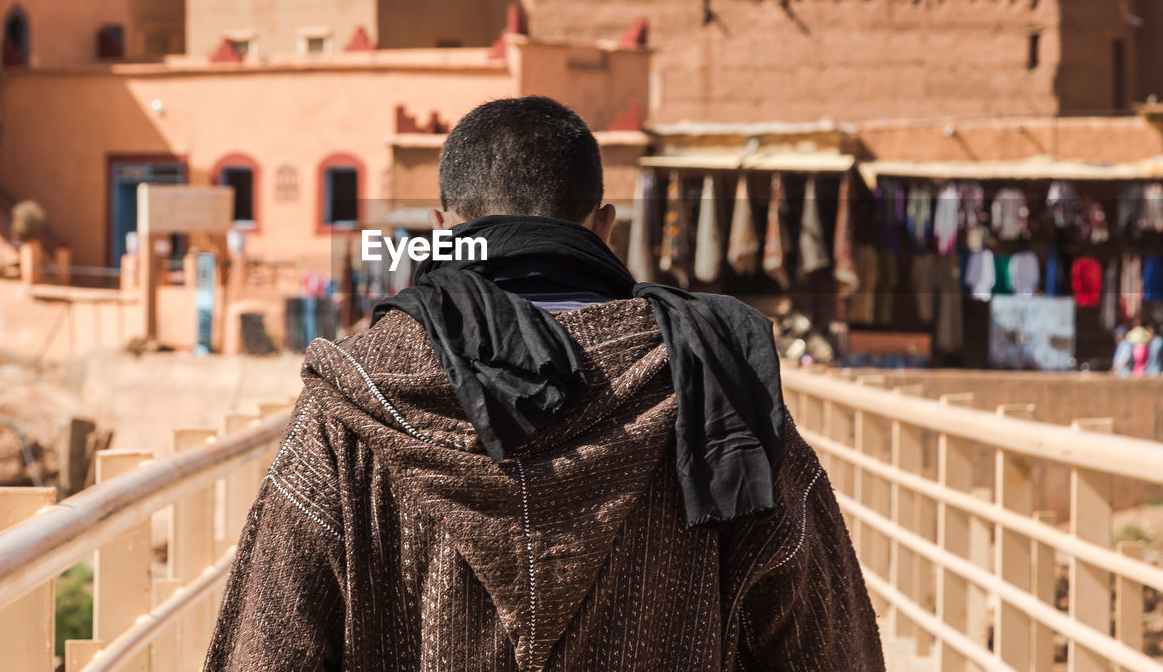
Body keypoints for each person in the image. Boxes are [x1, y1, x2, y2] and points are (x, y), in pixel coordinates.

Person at [205, 96, 883, 671]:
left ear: (442, 233)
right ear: (606, 227)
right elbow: (827, 640)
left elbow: (268, 645)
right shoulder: (717, 384)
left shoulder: (355, 397)